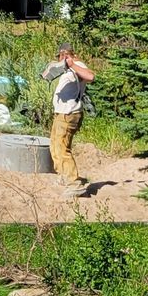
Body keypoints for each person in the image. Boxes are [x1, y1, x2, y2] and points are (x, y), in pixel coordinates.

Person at [41, 45, 94, 195]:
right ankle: (65, 176)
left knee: (62, 149)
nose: (62, 58)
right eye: (60, 55)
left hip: (69, 114)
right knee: (55, 147)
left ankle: (74, 183)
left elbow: (90, 77)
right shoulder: (66, 69)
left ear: (72, 55)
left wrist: (72, 64)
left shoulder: (78, 66)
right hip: (60, 114)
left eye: (66, 55)